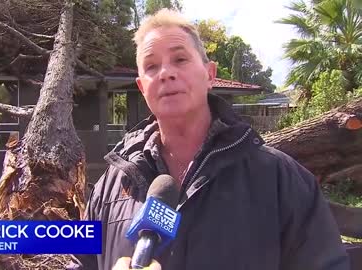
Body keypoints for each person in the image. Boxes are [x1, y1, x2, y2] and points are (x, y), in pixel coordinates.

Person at [79, 9, 350, 270]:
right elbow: (79, 263)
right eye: (151, 66)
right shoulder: (109, 186)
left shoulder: (282, 180)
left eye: (180, 60)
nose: (165, 73)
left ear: (210, 74)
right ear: (141, 87)